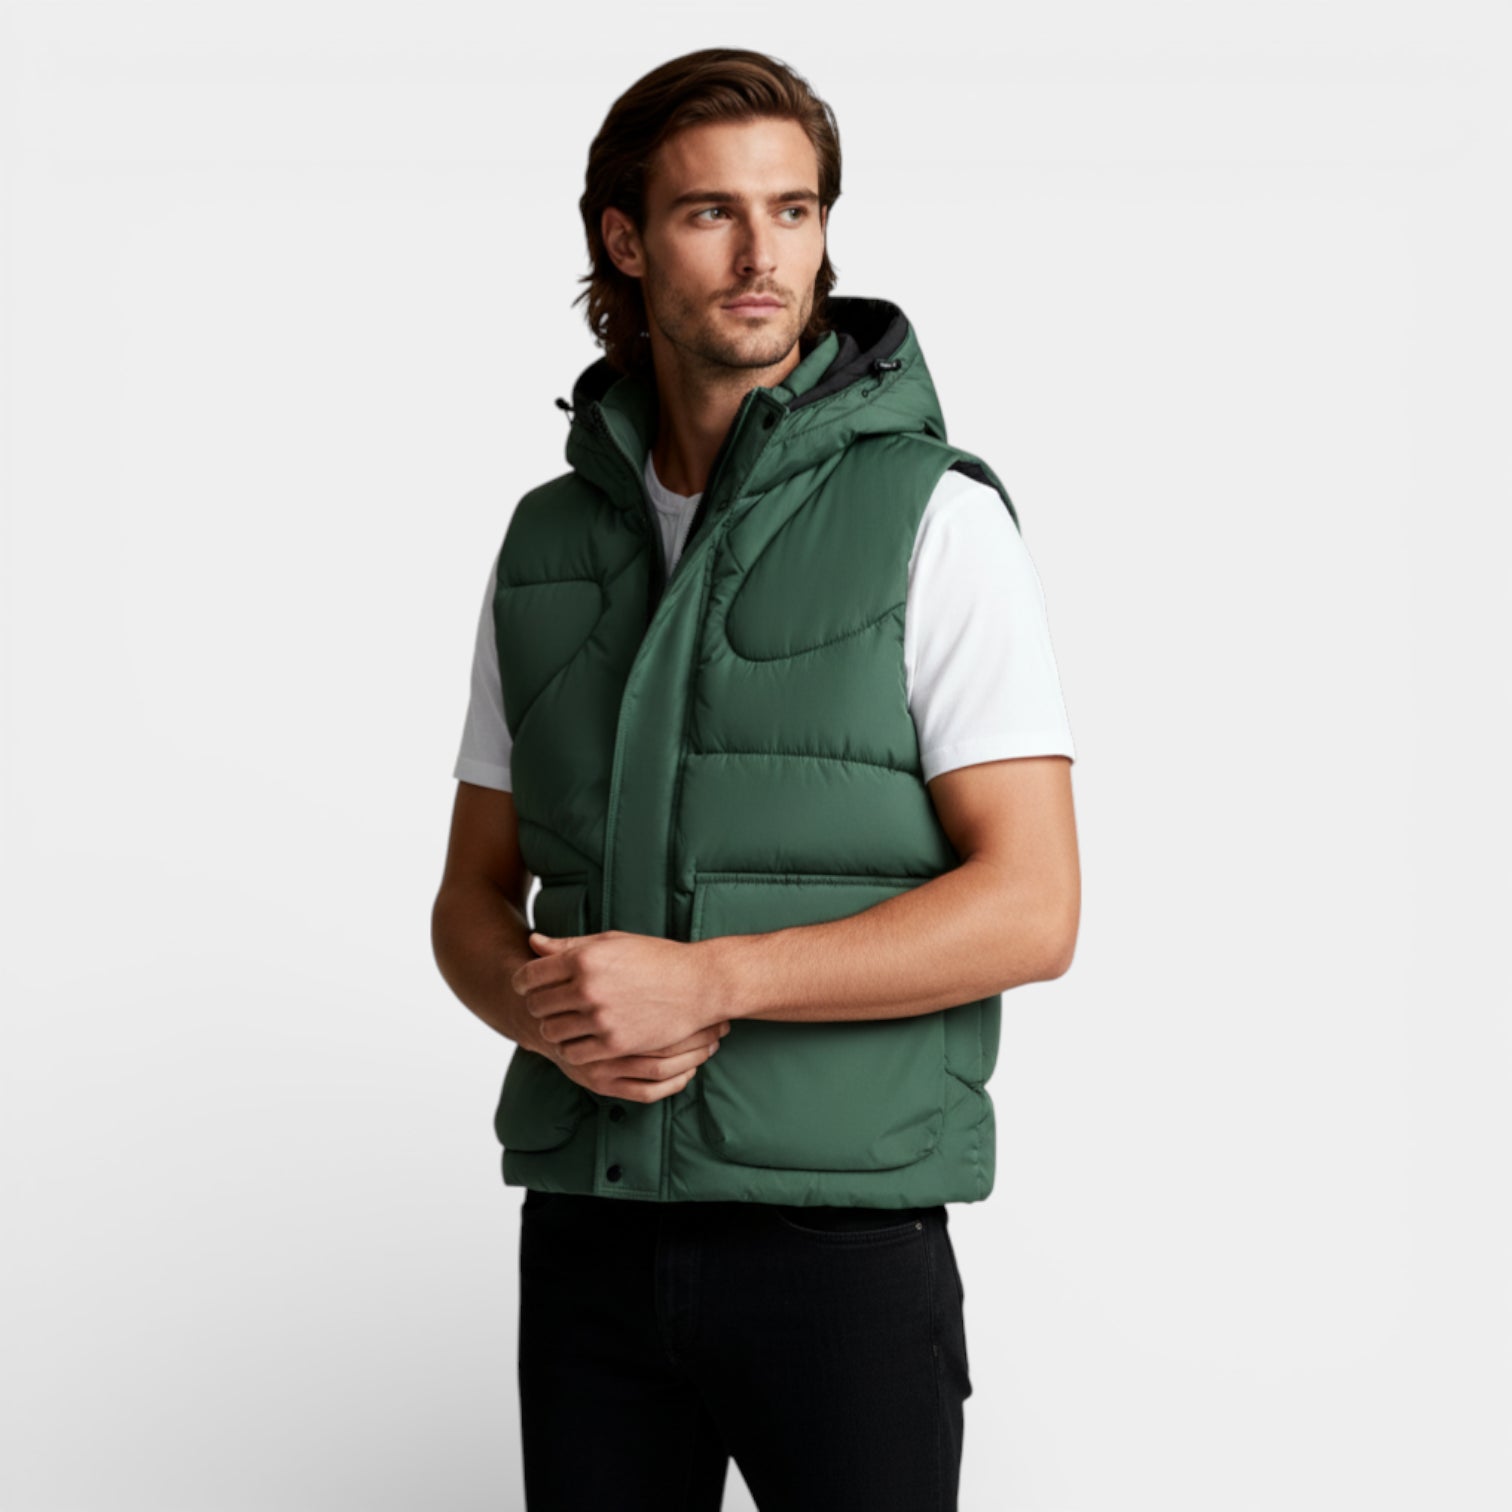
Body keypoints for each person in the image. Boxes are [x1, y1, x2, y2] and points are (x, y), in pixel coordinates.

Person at [431, 46, 1080, 1512]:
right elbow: (471, 897)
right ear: (624, 239)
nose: (762, 255)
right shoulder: (546, 544)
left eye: (794, 211)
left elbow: (1034, 905)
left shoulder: (936, 518)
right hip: (590, 1237)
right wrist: (549, 1013)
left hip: (839, 1247)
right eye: (711, 212)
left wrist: (709, 980)